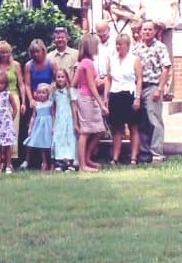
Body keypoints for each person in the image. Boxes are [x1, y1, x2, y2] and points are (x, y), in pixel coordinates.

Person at [133, 20, 171, 163]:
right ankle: (144, 152)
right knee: (141, 120)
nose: (147, 32)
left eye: (150, 29)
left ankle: (157, 153)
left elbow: (166, 68)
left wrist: (160, 88)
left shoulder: (160, 47)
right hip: (138, 87)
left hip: (153, 86)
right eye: (144, 29)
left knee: (154, 119)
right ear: (140, 31)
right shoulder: (136, 49)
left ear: (155, 32)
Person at [105, 33, 142, 166]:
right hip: (115, 95)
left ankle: (133, 157)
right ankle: (115, 157)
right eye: (117, 44)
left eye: (120, 44)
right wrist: (106, 97)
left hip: (129, 94)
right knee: (116, 128)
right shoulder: (112, 59)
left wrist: (137, 98)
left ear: (127, 45)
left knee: (133, 127)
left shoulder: (134, 59)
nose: (118, 46)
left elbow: (139, 80)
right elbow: (108, 79)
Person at [73, 35, 106, 172]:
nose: (97, 47)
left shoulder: (83, 63)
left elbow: (74, 83)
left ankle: (86, 159)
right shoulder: (87, 63)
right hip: (87, 99)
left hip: (85, 97)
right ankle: (82, 165)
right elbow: (92, 87)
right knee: (85, 132)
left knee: (100, 130)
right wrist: (102, 104)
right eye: (95, 45)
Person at [0, 69, 19, 174]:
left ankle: (8, 166)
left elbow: (15, 108)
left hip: (6, 123)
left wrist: (10, 120)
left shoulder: (8, 94)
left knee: (7, 145)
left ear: (5, 84)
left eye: (2, 83)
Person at [50, 68, 78, 171]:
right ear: (55, 79)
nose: (60, 79)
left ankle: (71, 163)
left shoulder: (70, 91)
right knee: (59, 139)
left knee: (70, 139)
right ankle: (61, 163)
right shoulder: (54, 92)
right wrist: (53, 124)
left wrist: (75, 123)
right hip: (59, 120)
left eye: (62, 77)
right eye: (58, 77)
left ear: (66, 78)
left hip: (69, 119)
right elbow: (52, 109)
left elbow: (74, 107)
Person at [23, 83, 53, 171]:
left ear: (48, 94)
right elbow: (33, 116)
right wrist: (30, 128)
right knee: (42, 145)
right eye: (39, 93)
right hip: (39, 127)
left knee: (49, 144)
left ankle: (52, 163)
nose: (41, 95)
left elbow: (53, 114)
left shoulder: (50, 103)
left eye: (43, 93)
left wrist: (53, 126)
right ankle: (44, 162)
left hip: (48, 125)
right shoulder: (36, 104)